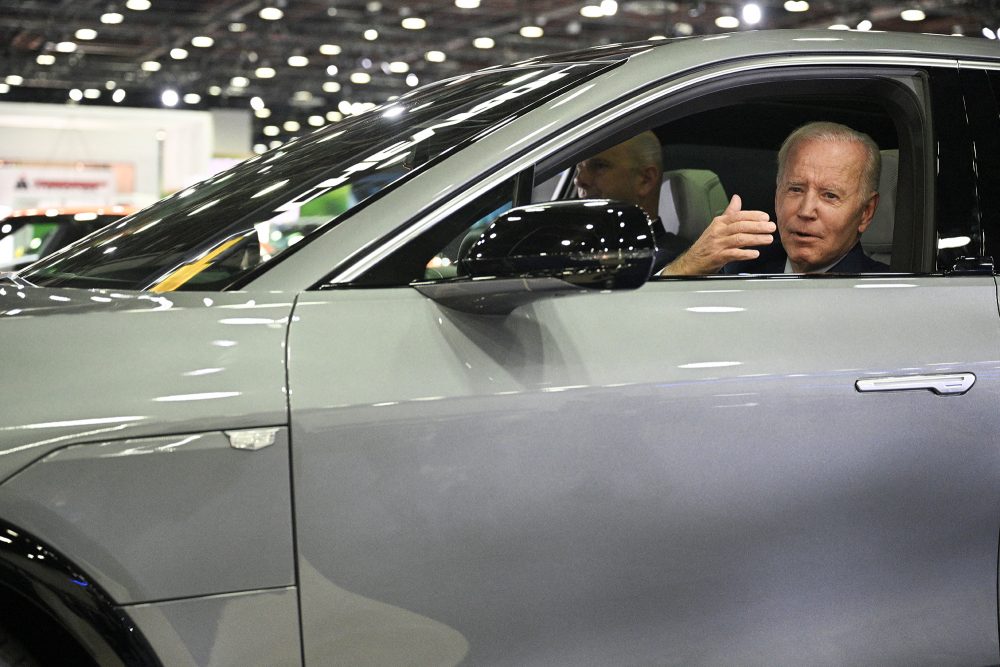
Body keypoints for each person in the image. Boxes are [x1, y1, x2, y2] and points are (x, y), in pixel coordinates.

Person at [660, 121, 889, 275]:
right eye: (796, 189)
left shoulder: (888, 292)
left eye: (829, 195)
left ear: (866, 212)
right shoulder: (736, 266)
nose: (806, 211)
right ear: (777, 193)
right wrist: (688, 266)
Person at [574, 131, 689, 272]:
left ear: (645, 180)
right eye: (578, 168)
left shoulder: (671, 262)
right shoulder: (581, 251)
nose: (579, 180)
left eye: (599, 166)